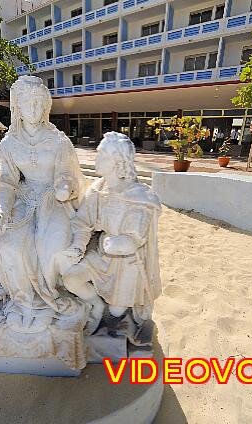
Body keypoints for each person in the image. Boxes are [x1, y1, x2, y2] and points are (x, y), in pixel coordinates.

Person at [0, 75, 87, 330]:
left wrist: (65, 186)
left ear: (45, 107)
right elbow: (7, 181)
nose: (32, 109)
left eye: (37, 103)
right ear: (17, 107)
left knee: (51, 247)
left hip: (53, 199)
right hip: (23, 199)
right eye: (27, 103)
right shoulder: (9, 143)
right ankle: (24, 302)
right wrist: (3, 210)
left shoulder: (58, 141)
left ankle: (47, 301)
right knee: (8, 244)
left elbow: (67, 174)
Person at [59, 132, 162, 345]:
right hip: (101, 255)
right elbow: (82, 221)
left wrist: (120, 243)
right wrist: (78, 245)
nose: (96, 159)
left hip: (127, 264)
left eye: (101, 155)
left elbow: (135, 237)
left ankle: (118, 317)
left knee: (117, 309)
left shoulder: (139, 197)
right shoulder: (98, 189)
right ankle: (97, 305)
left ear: (117, 162)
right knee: (71, 278)